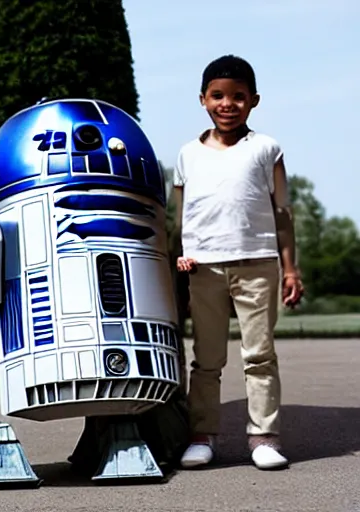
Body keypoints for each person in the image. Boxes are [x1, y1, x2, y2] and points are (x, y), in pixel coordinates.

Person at [172, 55, 304, 470]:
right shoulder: (187, 154)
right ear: (203, 99)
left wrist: (290, 268)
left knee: (259, 355)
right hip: (203, 268)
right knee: (206, 359)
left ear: (253, 101)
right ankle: (202, 435)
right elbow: (180, 217)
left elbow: (282, 213)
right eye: (218, 96)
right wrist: (177, 257)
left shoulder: (266, 149)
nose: (227, 104)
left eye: (238, 97)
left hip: (257, 265)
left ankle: (263, 438)